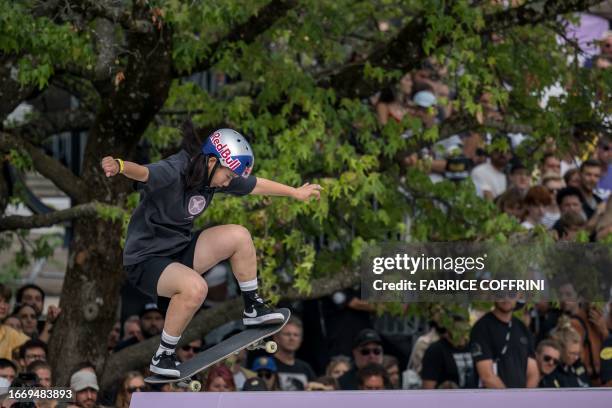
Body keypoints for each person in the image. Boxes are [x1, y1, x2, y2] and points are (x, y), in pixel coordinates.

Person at [101, 122, 321, 377]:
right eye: (228, 176)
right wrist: (119, 165)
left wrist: (295, 192)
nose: (228, 184)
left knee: (239, 236)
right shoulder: (176, 169)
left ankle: (252, 308)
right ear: (211, 161)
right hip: (145, 260)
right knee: (196, 288)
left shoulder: (216, 177)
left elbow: (256, 184)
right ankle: (163, 355)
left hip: (180, 250)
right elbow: (143, 173)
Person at [470, 298, 539, 388]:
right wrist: (509, 400)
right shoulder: (481, 328)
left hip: (522, 400)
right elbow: (487, 376)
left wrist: (525, 399)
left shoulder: (522, 328)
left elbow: (533, 373)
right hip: (491, 400)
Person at [272, 316, 316, 390]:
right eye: (287, 334)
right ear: (276, 337)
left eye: (296, 335)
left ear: (301, 340)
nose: (292, 338)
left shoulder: (305, 368)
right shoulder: (267, 365)